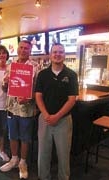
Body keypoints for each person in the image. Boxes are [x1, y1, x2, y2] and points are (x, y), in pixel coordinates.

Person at [35, 43, 79, 180]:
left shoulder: (71, 75)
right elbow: (38, 96)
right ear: (50, 55)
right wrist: (47, 115)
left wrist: (57, 116)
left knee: (64, 154)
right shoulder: (42, 74)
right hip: (44, 119)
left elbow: (72, 100)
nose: (57, 54)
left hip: (64, 120)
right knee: (43, 153)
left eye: (60, 52)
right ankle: (43, 177)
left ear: (64, 55)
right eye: (55, 52)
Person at [0, 40, 39, 179]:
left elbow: (39, 90)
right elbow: (4, 88)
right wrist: (5, 84)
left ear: (30, 51)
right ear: (17, 49)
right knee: (12, 135)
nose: (23, 50)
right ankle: (14, 159)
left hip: (26, 109)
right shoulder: (11, 66)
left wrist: (29, 97)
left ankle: (23, 163)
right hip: (11, 106)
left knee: (25, 137)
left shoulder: (35, 67)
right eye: (21, 48)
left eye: (26, 49)